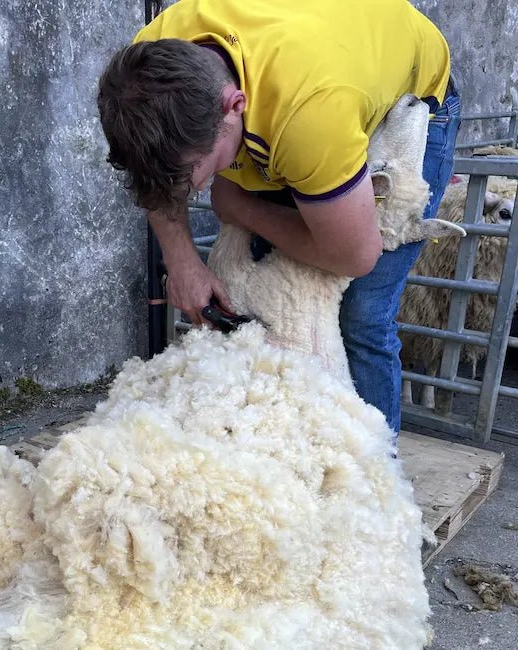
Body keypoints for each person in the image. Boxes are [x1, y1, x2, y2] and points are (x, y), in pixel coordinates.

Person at [97, 0, 460, 433]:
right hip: (307, 79)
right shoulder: (145, 73)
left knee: (362, 311)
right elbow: (155, 176)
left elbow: (355, 255)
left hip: (404, 102)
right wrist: (182, 261)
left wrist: (240, 206)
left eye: (193, 171)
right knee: (270, 294)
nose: (193, 189)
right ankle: (279, 447)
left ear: (234, 106)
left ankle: (371, 473)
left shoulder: (309, 116)